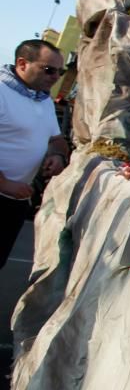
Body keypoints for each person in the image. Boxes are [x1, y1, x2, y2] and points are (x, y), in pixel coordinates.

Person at [1, 40, 69, 268]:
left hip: (15, 202)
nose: (56, 77)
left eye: (61, 71)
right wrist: (4, 184)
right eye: (49, 70)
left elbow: (56, 139)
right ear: (22, 63)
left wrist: (57, 156)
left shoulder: (43, 100)